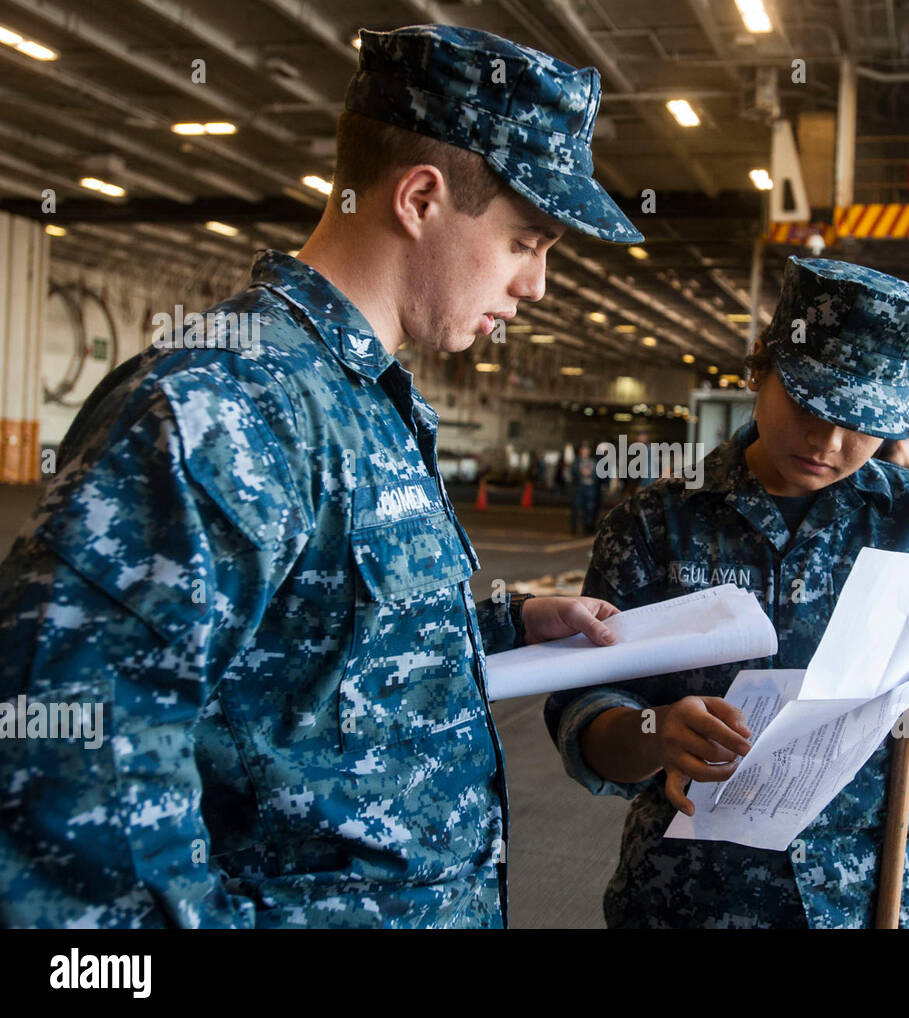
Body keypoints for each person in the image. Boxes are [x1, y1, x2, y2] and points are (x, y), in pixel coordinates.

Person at [0, 24, 641, 929]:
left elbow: (312, 650)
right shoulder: (221, 406)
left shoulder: (365, 395)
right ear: (421, 197)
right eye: (525, 242)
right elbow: (66, 763)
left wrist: (499, 625)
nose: (537, 285)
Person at [544, 257, 909, 928]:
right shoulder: (658, 523)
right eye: (810, 405)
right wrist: (656, 732)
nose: (830, 443)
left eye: (863, 423)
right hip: (688, 902)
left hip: (875, 899)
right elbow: (584, 713)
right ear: (758, 370)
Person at [570, 441, 601, 534]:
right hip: (580, 487)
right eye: (583, 449)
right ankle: (574, 526)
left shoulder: (593, 461)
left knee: (590, 508)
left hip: (591, 487)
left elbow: (598, 474)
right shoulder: (576, 461)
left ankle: (588, 526)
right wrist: (581, 473)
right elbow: (573, 472)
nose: (585, 451)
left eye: (586, 449)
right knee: (576, 507)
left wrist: (590, 474)